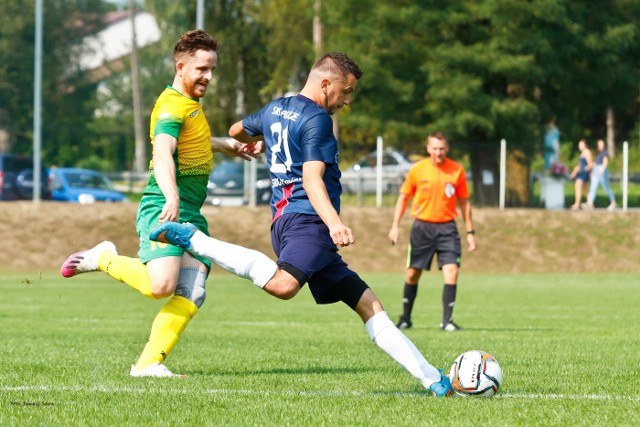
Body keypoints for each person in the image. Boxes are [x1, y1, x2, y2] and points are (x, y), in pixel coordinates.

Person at [150, 52, 453, 397]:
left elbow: (237, 131)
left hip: (284, 221)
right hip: (309, 220)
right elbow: (312, 180)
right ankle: (196, 240)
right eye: (346, 91)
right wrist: (335, 223)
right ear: (325, 85)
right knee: (283, 286)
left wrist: (268, 141)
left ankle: (432, 379)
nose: (347, 101)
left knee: (368, 303)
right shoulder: (318, 119)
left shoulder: (276, 108)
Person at [59, 30, 259, 377]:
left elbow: (190, 142)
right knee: (160, 287)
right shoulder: (170, 105)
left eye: (212, 69)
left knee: (192, 290)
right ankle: (102, 257)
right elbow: (163, 151)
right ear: (181, 66)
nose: (208, 77)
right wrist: (171, 195)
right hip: (164, 206)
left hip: (190, 211)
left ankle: (148, 364)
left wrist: (226, 144)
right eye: (201, 69)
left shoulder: (188, 105)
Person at [387, 132, 476, 332]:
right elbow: (403, 198)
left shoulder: (457, 170)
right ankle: (405, 318)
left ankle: (447, 321)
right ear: (428, 149)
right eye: (435, 148)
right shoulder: (417, 169)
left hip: (447, 228)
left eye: (442, 148)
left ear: (447, 149)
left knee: (452, 271)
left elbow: (464, 202)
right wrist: (395, 226)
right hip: (422, 228)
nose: (438, 152)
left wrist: (470, 232)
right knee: (413, 274)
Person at [584, 139, 616, 211]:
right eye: (600, 144)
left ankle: (613, 202)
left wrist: (602, 169)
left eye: (602, 144)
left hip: (602, 171)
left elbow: (605, 162)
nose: (601, 146)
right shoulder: (598, 154)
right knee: (593, 187)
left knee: (606, 187)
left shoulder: (605, 153)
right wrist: (589, 167)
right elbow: (595, 163)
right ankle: (590, 203)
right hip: (596, 171)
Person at [568, 139, 593, 210]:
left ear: (585, 145)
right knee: (585, 189)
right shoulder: (581, 154)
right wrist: (573, 173)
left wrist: (588, 171)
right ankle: (590, 204)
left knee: (577, 185)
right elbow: (579, 166)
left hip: (584, 173)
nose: (580, 146)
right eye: (579, 144)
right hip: (581, 173)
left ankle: (577, 204)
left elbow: (590, 164)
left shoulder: (587, 152)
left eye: (581, 144)